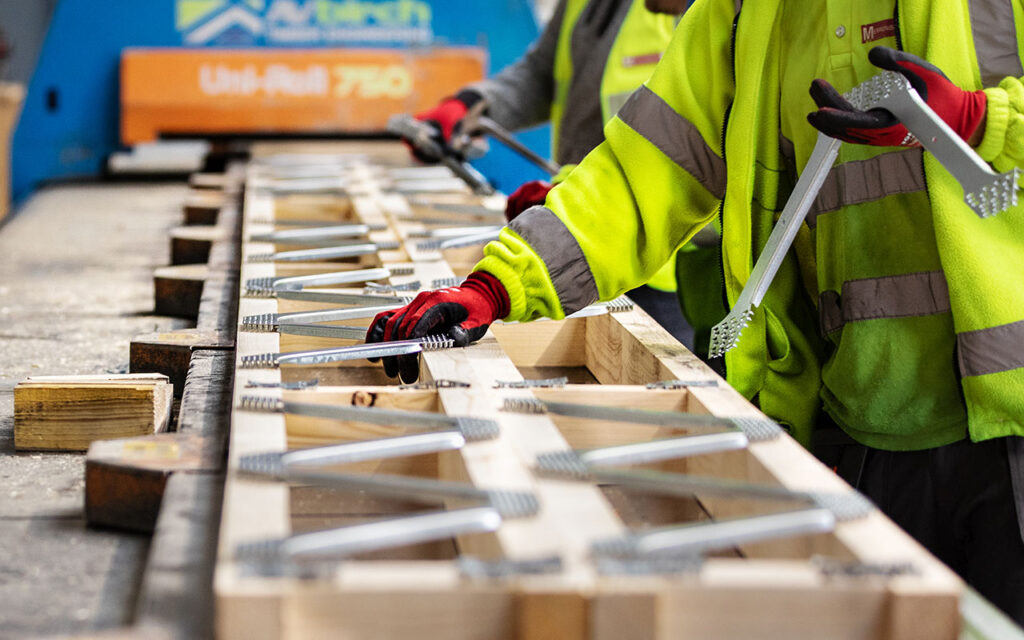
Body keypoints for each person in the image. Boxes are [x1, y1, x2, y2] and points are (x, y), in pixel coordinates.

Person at [371, 0, 1024, 622]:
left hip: (1010, 422)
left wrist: (980, 122)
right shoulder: (746, 12)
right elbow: (646, 171)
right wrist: (498, 285)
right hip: (867, 421)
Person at [406, 0, 722, 349]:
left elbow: (682, 164)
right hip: (577, 241)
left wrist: (571, 198)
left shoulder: (707, 15)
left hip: (657, 267)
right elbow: (542, 71)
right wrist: (472, 104)